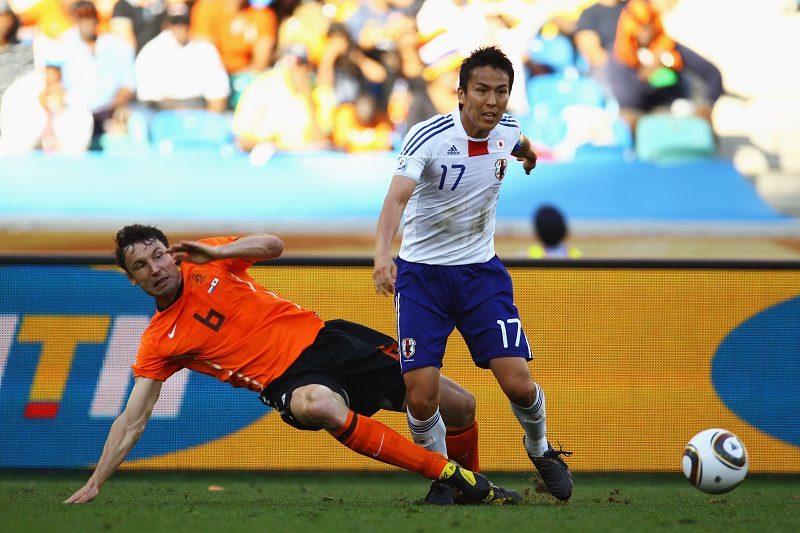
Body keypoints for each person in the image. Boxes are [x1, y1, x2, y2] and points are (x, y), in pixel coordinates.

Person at [64, 224, 523, 506]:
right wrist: (96, 482)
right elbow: (133, 418)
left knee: (460, 405)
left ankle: (465, 491)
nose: (155, 267)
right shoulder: (158, 341)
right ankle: (452, 477)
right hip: (288, 380)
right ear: (132, 278)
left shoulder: (211, 260)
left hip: (331, 340)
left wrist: (222, 253)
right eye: (141, 265)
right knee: (315, 403)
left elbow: (274, 245)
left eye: (158, 254)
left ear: (171, 251)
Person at [373, 46, 573, 503]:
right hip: (422, 278)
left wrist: (529, 156)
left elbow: (518, 142)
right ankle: (444, 479)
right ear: (460, 94)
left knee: (519, 383)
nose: (492, 100)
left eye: (501, 91)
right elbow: (395, 200)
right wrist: (383, 255)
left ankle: (541, 450)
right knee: (421, 397)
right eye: (482, 90)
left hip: (480, 274)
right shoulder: (428, 137)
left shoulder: (508, 130)